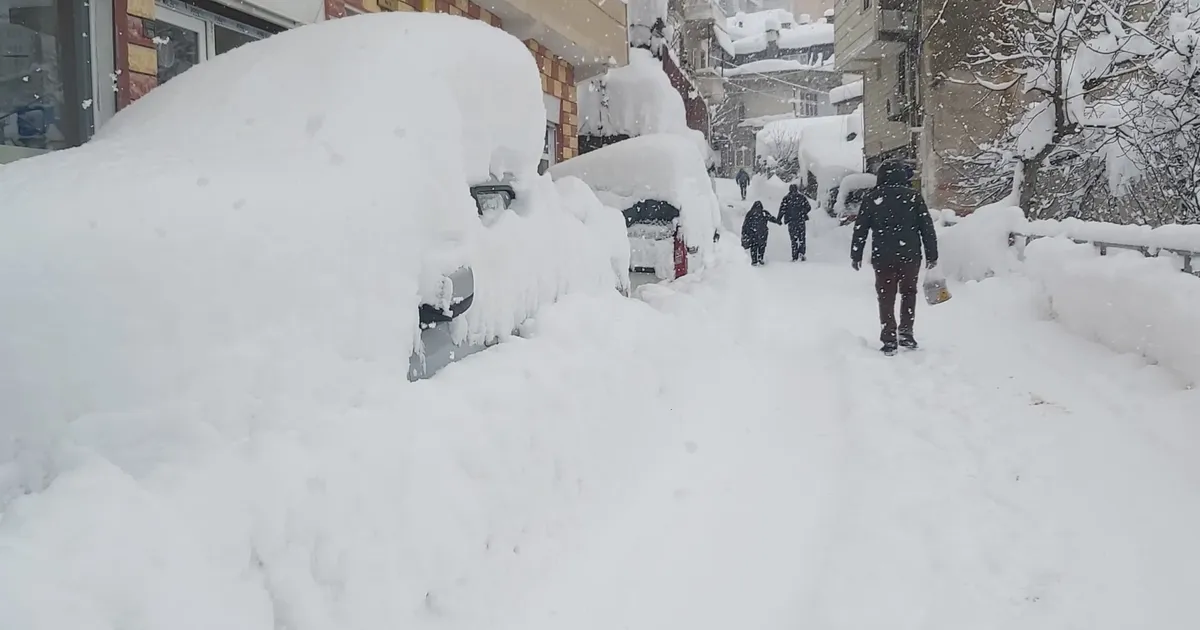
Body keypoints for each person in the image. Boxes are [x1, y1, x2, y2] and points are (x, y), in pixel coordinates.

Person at [850, 160, 938, 354]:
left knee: (886, 296)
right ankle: (906, 333)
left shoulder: (872, 197)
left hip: (883, 257)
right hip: (910, 256)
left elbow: (861, 228)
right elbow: (927, 228)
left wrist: (856, 254)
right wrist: (932, 254)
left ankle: (889, 338)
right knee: (908, 292)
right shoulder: (913, 197)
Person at [777, 183, 811, 262]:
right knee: (802, 237)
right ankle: (802, 253)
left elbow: (782, 209)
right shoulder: (802, 197)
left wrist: (779, 219)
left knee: (793, 239)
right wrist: (803, 212)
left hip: (791, 221)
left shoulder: (786, 198)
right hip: (801, 220)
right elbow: (808, 207)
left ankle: (794, 255)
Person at [741, 200, 778, 266]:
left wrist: (744, 232)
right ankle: (760, 257)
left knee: (753, 246)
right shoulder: (763, 212)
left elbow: (745, 224)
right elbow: (771, 218)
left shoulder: (750, 213)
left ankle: (754, 260)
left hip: (752, 233)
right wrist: (777, 221)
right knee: (762, 246)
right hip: (762, 233)